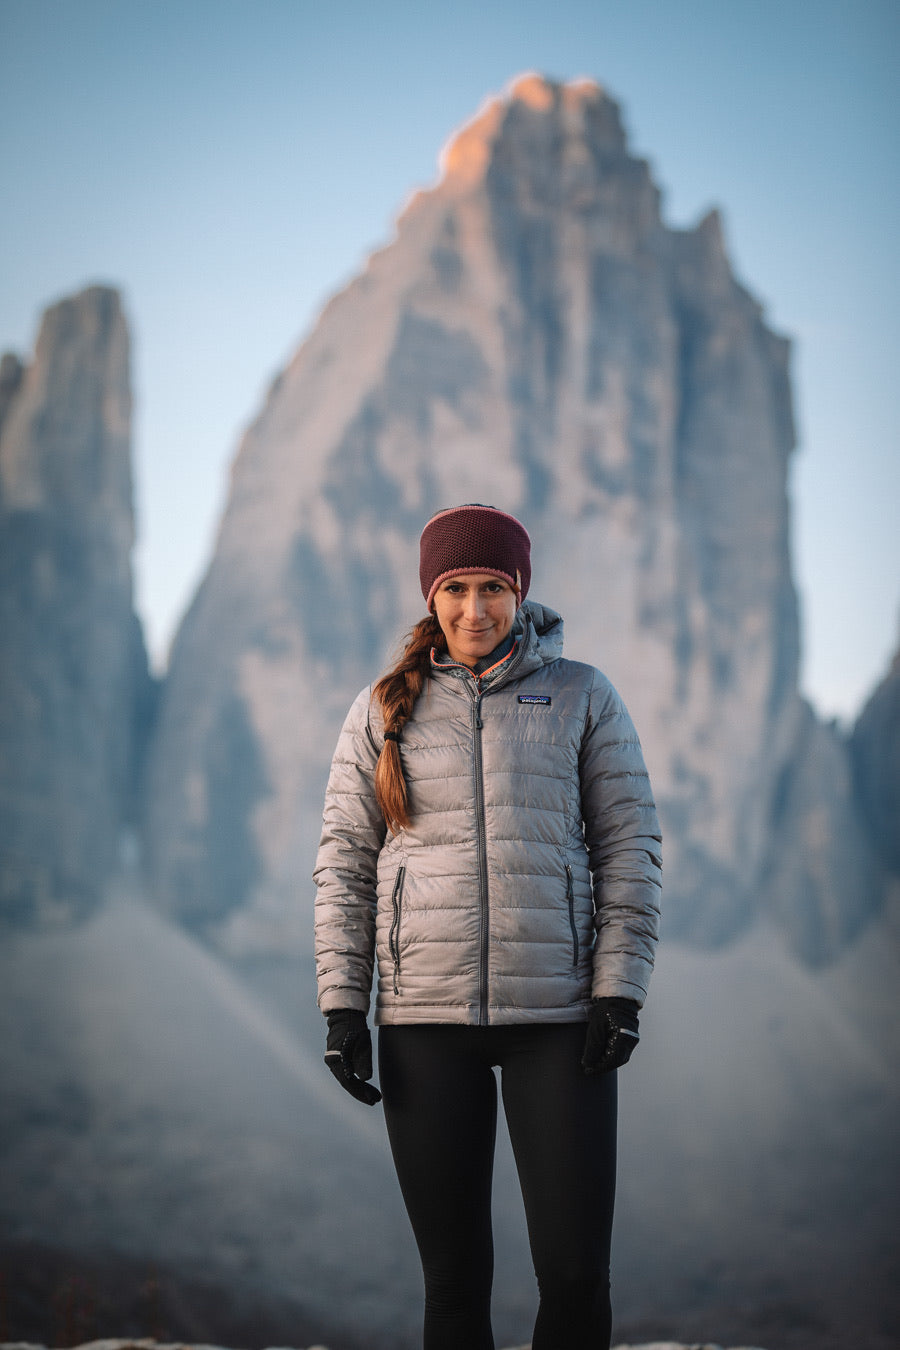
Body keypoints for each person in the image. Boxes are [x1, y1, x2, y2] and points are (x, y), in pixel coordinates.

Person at [314, 503, 661, 1350]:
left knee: (576, 1281)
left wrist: (619, 991)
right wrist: (341, 1009)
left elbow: (630, 844)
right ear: (432, 597)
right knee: (454, 1285)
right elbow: (345, 863)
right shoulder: (379, 709)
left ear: (521, 590)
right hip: (424, 1024)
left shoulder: (580, 693)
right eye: (457, 588)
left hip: (558, 1022)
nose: (476, 610)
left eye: (494, 587)